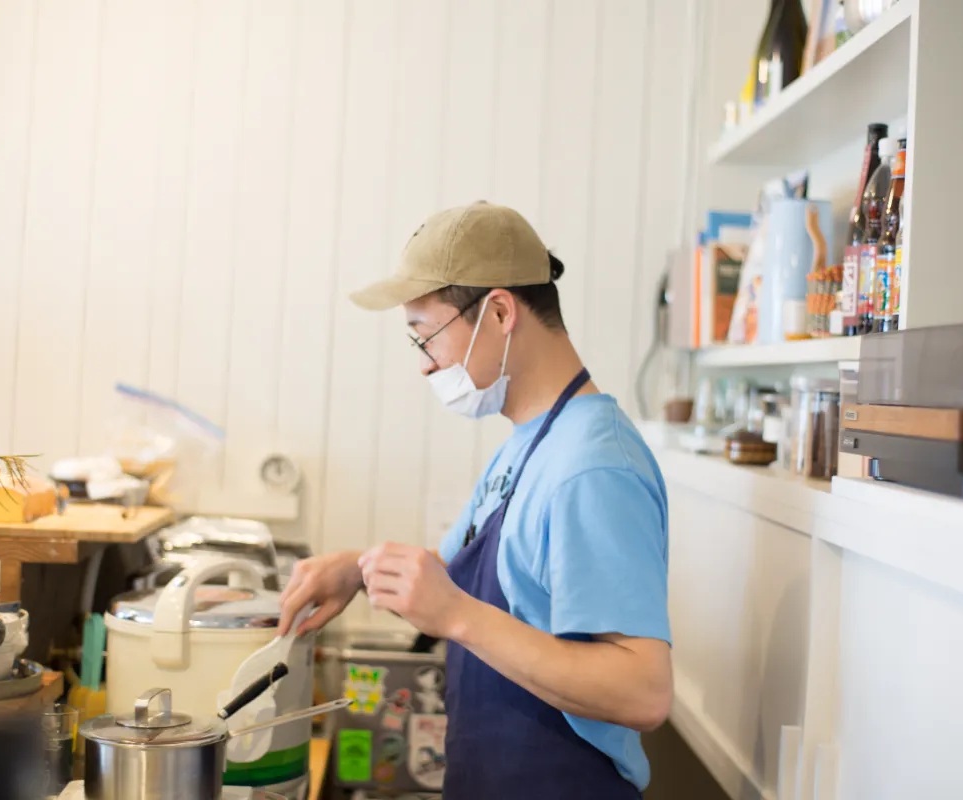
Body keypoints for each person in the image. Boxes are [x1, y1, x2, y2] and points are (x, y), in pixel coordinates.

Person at [277, 201, 673, 799]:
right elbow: (465, 585)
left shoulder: (592, 468)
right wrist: (358, 570)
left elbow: (643, 690)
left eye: (426, 336)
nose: (423, 365)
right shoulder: (528, 444)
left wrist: (457, 617)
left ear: (499, 312)